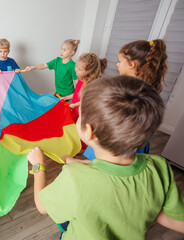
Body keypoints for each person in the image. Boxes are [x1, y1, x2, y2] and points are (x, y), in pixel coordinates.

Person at [27, 76, 184, 239]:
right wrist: (78, 162)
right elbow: (172, 219)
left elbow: (42, 206)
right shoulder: (159, 167)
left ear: (88, 131)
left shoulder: (74, 178)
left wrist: (38, 166)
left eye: (79, 115)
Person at [83, 39, 168, 160]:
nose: (117, 64)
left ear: (132, 64)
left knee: (101, 165)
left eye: (119, 61)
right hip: (135, 139)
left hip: (115, 139)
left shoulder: (125, 89)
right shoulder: (148, 89)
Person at [62, 53, 107, 122]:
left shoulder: (89, 85)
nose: (76, 69)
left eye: (79, 69)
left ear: (88, 72)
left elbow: (86, 100)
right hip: (74, 109)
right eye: (76, 66)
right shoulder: (81, 79)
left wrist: (74, 105)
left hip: (81, 112)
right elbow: (77, 93)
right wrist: (66, 97)